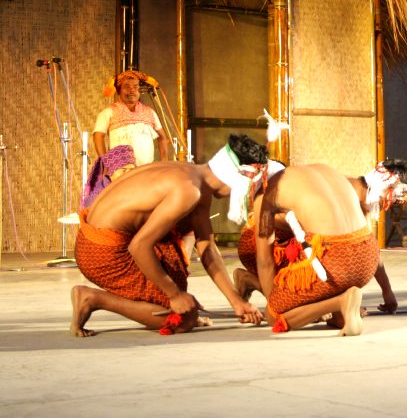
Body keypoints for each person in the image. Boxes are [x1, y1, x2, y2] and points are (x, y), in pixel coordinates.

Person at [70, 134, 265, 337]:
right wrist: (174, 295)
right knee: (183, 318)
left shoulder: (194, 175)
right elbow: (139, 246)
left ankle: (168, 303)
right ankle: (92, 298)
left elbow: (206, 247)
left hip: (93, 240)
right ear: (235, 178)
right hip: (101, 253)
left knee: (180, 286)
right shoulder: (189, 190)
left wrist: (236, 301)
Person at [234, 157, 407, 315]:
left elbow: (367, 247)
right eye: (390, 200)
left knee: (339, 262)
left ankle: (333, 305)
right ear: (384, 186)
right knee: (304, 297)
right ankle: (249, 280)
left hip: (294, 241)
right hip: (261, 242)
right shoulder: (346, 191)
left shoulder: (361, 200)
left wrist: (387, 291)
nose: (386, 207)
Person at [252, 163, 381, 335]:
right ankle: (339, 313)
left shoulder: (268, 191)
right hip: (368, 258)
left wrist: (274, 305)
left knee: (273, 317)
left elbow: (265, 261)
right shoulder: (324, 169)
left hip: (333, 261)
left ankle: (342, 302)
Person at [93, 70, 168, 165]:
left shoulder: (150, 112)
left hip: (146, 169)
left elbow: (162, 137)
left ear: (139, 91)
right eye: (127, 86)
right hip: (120, 169)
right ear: (119, 91)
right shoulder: (108, 112)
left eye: (135, 86)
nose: (132, 90)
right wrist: (105, 163)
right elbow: (98, 136)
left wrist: (164, 162)